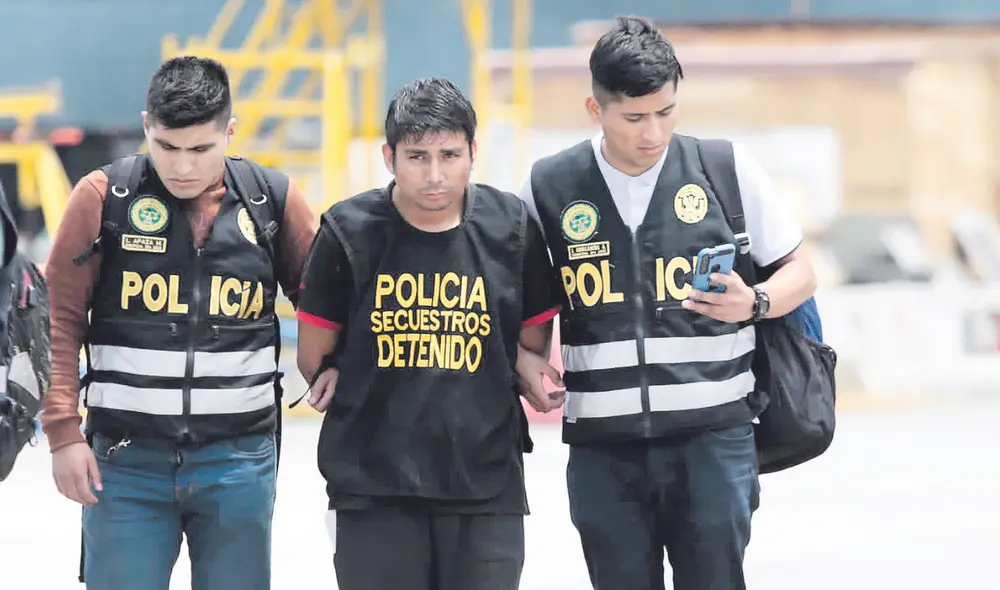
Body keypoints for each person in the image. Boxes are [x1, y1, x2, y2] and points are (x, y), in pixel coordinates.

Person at [515, 16, 818, 590]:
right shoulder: (549, 186)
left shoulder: (724, 167)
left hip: (714, 444)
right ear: (594, 108)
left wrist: (753, 302)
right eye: (634, 117)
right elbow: (525, 301)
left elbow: (800, 272)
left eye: (666, 111)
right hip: (604, 452)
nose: (652, 132)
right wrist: (524, 359)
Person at [41, 56, 317, 590]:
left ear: (229, 133)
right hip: (123, 466)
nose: (183, 166)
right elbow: (60, 319)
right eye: (167, 147)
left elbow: (326, 302)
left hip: (238, 464)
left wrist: (328, 366)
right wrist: (62, 432)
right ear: (147, 126)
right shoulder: (103, 199)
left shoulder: (271, 201)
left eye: (201, 149)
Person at [295, 77, 565, 590]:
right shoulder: (347, 231)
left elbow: (531, 343)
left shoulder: (512, 227)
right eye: (417, 156)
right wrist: (334, 370)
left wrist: (514, 360)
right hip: (374, 486)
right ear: (388, 156)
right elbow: (315, 356)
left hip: (485, 483)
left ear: (473, 152)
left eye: (450, 155)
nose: (436, 175)